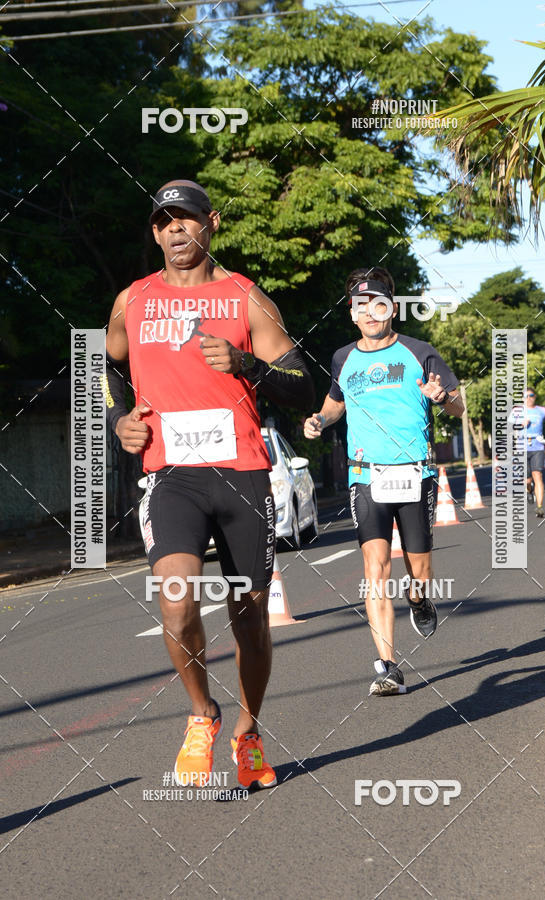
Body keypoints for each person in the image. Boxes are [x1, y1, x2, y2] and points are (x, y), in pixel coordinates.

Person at [104, 179, 314, 788]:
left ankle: (248, 732)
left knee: (249, 612)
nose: (174, 231)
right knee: (176, 598)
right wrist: (118, 417)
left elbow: (302, 381)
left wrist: (247, 364)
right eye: (163, 222)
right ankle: (202, 715)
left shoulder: (246, 298)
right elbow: (100, 360)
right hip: (171, 476)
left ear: (211, 223)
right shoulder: (132, 300)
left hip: (242, 472)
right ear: (154, 232)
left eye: (186, 219)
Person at [304, 267, 463, 696]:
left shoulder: (419, 352)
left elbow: (459, 407)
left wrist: (443, 397)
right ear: (353, 314)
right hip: (365, 475)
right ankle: (388, 666)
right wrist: (319, 420)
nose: (371, 313)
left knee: (420, 572)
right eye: (362, 306)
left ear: (392, 308)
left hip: (416, 473)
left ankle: (418, 599)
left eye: (379, 304)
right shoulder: (342, 358)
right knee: (375, 569)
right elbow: (335, 404)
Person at [522, 387, 545, 518]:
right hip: (522, 448)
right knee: (527, 481)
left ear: (535, 396)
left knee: (537, 475)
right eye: (526, 396)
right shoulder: (518, 411)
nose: (529, 398)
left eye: (531, 395)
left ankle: (539, 507)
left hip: (538, 446)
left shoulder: (542, 411)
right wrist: (520, 424)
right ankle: (529, 491)